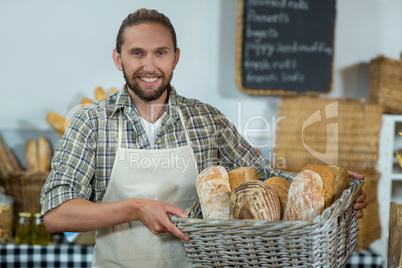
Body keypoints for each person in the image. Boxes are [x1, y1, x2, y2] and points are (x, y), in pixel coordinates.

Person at [40, 8, 367, 268]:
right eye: (137, 53)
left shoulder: (207, 120)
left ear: (176, 58)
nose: (150, 65)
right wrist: (137, 208)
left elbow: (266, 179)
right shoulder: (91, 122)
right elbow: (56, 214)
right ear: (118, 58)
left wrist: (329, 193)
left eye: (161, 53)